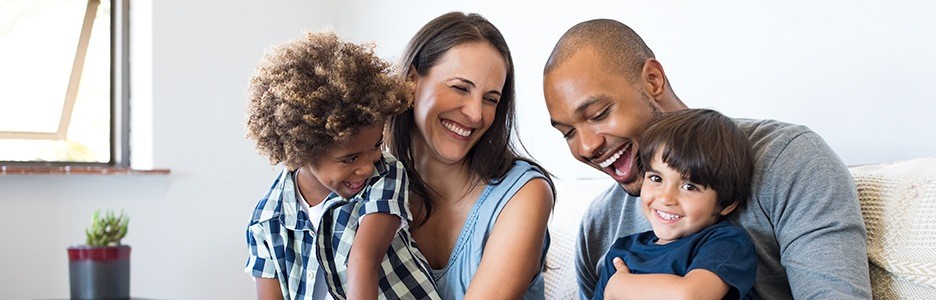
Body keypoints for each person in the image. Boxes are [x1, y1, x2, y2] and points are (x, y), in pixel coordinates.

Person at [542, 19, 871, 299]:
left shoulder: (789, 161)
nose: (585, 147)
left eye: (599, 114)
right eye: (567, 132)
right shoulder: (600, 225)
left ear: (652, 80)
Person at [243, 31, 438, 300]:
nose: (367, 166)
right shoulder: (267, 220)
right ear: (303, 151)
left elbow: (363, 261)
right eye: (350, 158)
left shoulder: (386, 174)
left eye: (375, 146)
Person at [387, 12, 556, 299]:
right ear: (412, 81)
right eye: (460, 88)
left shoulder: (524, 194)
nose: (476, 114)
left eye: (490, 99)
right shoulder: (372, 184)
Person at [592, 109, 757, 300]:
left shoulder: (726, 243)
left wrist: (619, 288)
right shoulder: (621, 252)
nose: (666, 198)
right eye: (656, 178)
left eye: (689, 186)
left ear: (726, 203)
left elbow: (690, 296)